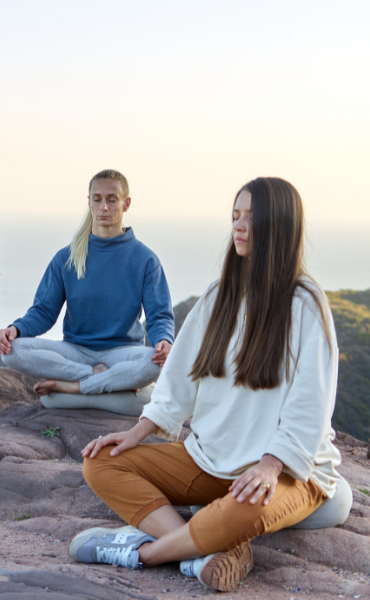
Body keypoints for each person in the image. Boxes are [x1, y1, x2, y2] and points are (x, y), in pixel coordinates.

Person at [70, 178, 341, 593]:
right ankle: (204, 550)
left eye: (252, 217)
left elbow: (311, 403)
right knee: (101, 461)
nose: (239, 226)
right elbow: (178, 379)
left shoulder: (305, 302)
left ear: (280, 226)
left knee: (246, 508)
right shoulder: (220, 296)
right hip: (210, 458)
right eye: (235, 216)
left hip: (285, 470)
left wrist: (270, 464)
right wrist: (138, 432)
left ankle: (142, 553)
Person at [0, 170, 174, 407]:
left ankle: (73, 387)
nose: (104, 207)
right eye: (97, 199)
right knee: (12, 352)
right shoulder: (66, 257)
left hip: (122, 352)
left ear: (126, 203)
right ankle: (97, 377)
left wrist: (163, 339)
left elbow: (159, 314)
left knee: (153, 362)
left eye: (112, 199)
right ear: (89, 202)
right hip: (75, 351)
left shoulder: (145, 259)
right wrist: (15, 330)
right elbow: (43, 312)